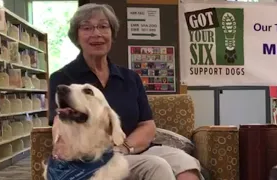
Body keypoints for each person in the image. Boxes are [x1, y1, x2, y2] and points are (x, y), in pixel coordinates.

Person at [48, 3, 203, 180]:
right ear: (77, 36)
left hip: (136, 148)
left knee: (185, 166)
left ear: (112, 34)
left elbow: (147, 125)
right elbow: (59, 121)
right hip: (95, 156)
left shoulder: (130, 78)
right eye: (87, 27)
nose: (96, 33)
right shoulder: (63, 78)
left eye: (103, 26)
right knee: (155, 166)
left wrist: (125, 147)